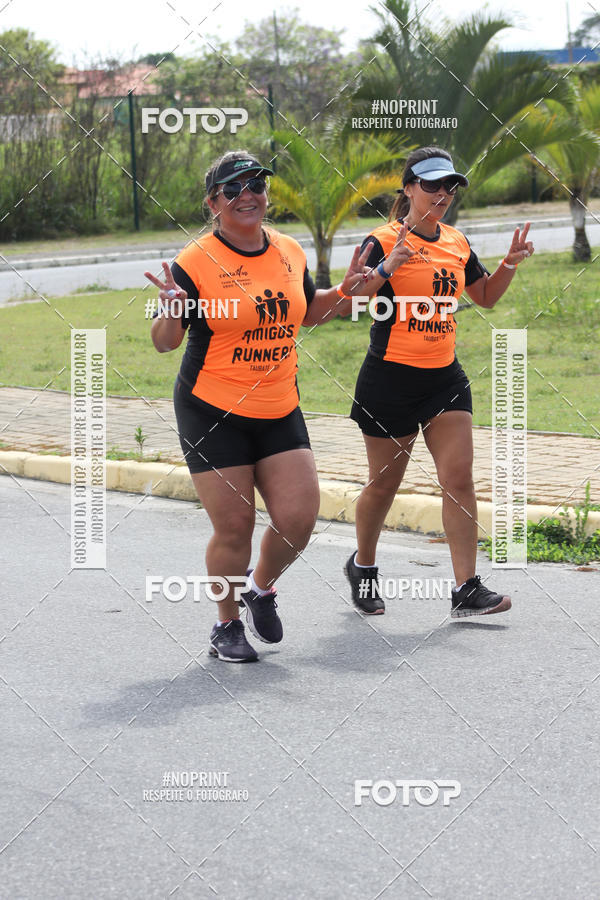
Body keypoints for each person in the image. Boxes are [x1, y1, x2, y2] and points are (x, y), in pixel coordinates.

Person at [145, 150, 368, 662]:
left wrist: (346, 292)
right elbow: (163, 342)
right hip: (211, 409)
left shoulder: (289, 250)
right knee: (235, 526)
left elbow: (308, 312)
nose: (248, 194)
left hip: (277, 404)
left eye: (256, 184)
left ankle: (260, 589)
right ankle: (225, 627)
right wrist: (171, 311)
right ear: (213, 203)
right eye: (233, 188)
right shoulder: (195, 261)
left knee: (299, 517)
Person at [344, 146, 534, 618]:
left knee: (459, 480)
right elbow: (352, 293)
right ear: (408, 187)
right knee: (384, 486)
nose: (442, 194)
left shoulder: (456, 241)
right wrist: (389, 265)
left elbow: (485, 296)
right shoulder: (382, 238)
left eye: (449, 186)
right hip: (389, 380)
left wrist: (508, 263)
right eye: (431, 184)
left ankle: (466, 587)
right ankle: (363, 566)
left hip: (444, 379)